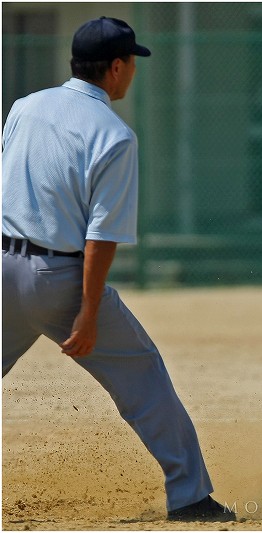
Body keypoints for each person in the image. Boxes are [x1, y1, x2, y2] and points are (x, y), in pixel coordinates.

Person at [2, 17, 234, 522]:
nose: (132, 72)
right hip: (55, 280)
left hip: (1, 268)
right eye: (131, 62)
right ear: (114, 67)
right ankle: (191, 497)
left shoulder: (24, 107)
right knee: (144, 379)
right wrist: (87, 312)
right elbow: (100, 237)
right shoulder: (113, 134)